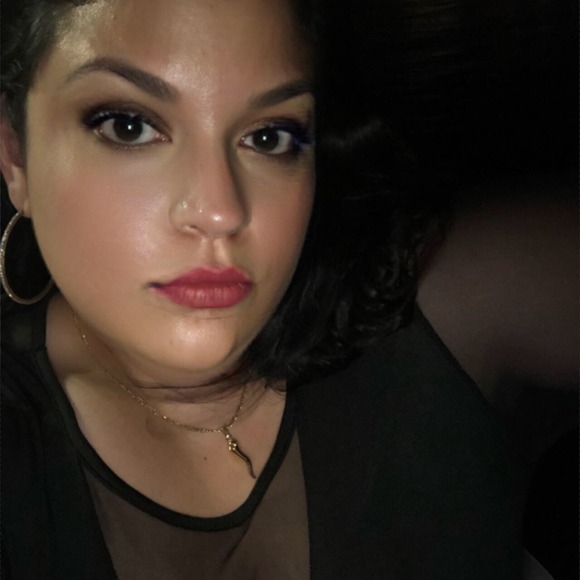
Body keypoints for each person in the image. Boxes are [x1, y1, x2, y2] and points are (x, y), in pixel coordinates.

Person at [1, 0, 576, 579]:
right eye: (129, 126)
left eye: (269, 136)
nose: (222, 211)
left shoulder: (427, 305)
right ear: (15, 156)